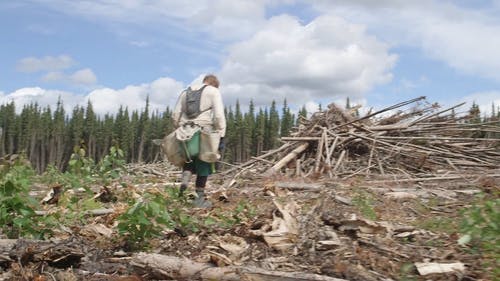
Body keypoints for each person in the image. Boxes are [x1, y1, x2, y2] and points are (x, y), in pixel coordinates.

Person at [172, 74, 226, 208]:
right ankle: (199, 198)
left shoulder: (185, 92)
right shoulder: (213, 91)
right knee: (205, 162)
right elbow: (219, 115)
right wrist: (221, 134)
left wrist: (179, 128)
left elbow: (175, 115)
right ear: (215, 84)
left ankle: (185, 180)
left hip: (185, 131)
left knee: (189, 159)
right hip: (203, 130)